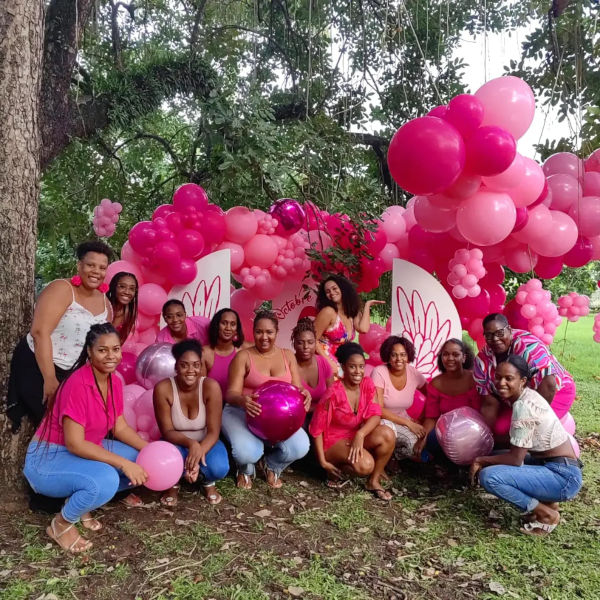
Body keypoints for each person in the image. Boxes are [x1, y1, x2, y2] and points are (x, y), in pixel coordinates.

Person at [23, 323, 149, 553]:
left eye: (116, 349)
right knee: (108, 479)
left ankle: (84, 503)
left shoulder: (114, 380)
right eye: (103, 350)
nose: (111, 356)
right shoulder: (77, 384)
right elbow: (75, 443)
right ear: (89, 352)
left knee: (141, 460)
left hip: (87, 449)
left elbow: (119, 426)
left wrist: (150, 449)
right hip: (49, 459)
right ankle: (61, 524)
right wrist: (123, 463)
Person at [7, 241, 113, 432]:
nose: (96, 271)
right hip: (38, 365)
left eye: (102, 267)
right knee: (59, 428)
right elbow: (40, 332)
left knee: (88, 426)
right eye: (90, 265)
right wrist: (49, 379)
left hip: (72, 374)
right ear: (79, 266)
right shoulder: (62, 289)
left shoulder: (106, 305)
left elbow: (101, 346)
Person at [470, 356, 583, 536]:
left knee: (489, 477)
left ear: (522, 380)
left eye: (509, 378)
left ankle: (545, 514)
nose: (501, 383)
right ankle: (548, 501)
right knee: (496, 453)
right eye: (498, 377)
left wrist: (480, 459)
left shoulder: (523, 406)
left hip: (563, 477)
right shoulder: (527, 395)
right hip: (555, 466)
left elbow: (515, 460)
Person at [223, 310, 311, 490]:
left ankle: (272, 465)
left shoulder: (288, 355)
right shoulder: (243, 356)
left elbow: (296, 389)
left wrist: (305, 394)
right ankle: (245, 469)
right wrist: (243, 400)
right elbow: (230, 394)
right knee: (248, 452)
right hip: (242, 411)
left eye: (269, 332)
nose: (264, 337)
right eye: (259, 332)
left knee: (301, 446)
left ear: (277, 332)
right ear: (253, 332)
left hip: (278, 419)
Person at [310, 342, 395, 500]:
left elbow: (376, 414)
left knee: (387, 434)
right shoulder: (333, 392)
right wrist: (322, 461)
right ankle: (333, 468)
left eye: (361, 366)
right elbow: (317, 430)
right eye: (352, 367)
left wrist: (361, 434)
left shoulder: (367, 384)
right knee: (366, 465)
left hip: (354, 435)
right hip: (333, 441)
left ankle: (374, 481)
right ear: (343, 367)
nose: (358, 372)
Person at [474, 313, 576, 442]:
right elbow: (489, 402)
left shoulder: (527, 347)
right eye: (489, 335)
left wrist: (529, 426)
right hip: (517, 399)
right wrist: (487, 437)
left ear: (509, 330)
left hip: (554, 392)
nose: (495, 339)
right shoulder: (482, 360)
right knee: (500, 430)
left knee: (524, 436)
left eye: (500, 333)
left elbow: (549, 383)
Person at [153, 339, 229, 506]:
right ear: (176, 366)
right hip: (175, 443)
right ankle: (173, 484)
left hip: (206, 441)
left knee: (219, 467)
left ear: (201, 366)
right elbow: (167, 431)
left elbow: (214, 431)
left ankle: (207, 482)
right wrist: (191, 444)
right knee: (165, 465)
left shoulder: (211, 386)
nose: (191, 370)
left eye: (196, 365)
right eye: (184, 365)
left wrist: (198, 451)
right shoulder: (163, 388)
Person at [415, 339, 481, 459]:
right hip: (447, 433)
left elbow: (480, 415)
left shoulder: (474, 380)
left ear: (464, 357)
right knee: (432, 438)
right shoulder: (435, 384)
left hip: (472, 433)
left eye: (455, 354)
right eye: (446, 354)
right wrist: (423, 439)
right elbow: (431, 417)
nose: (450, 358)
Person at [314, 274, 384, 375]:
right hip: (326, 359)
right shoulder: (328, 312)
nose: (332, 293)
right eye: (327, 292)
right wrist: (329, 362)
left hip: (342, 360)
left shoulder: (350, 311)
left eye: (334, 288)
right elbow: (312, 340)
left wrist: (367, 305)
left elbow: (363, 329)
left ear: (343, 289)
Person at [371, 336, 428, 459]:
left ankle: (393, 455)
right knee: (412, 444)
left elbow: (432, 395)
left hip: (402, 420)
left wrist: (421, 418)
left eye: (403, 355)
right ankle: (387, 456)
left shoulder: (414, 373)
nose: (399, 359)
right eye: (394, 355)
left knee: (423, 441)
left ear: (408, 356)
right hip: (381, 421)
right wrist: (408, 423)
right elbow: (378, 410)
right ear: (388, 356)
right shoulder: (379, 372)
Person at [292, 318, 334, 417]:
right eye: (300, 342)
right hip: (297, 417)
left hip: (322, 415)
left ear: (315, 343)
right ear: (294, 344)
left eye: (310, 342)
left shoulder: (323, 362)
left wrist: (314, 409)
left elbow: (332, 396)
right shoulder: (289, 365)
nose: (306, 346)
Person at [202, 308, 245, 397]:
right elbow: (200, 388)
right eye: (224, 323)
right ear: (217, 325)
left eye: (233, 324)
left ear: (237, 329)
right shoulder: (204, 353)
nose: (228, 328)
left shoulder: (242, 353)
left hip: (235, 407)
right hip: (210, 405)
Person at [107, 271, 138, 344]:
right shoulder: (103, 306)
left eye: (132, 288)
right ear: (114, 287)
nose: (127, 292)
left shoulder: (129, 313)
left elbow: (120, 342)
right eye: (122, 286)